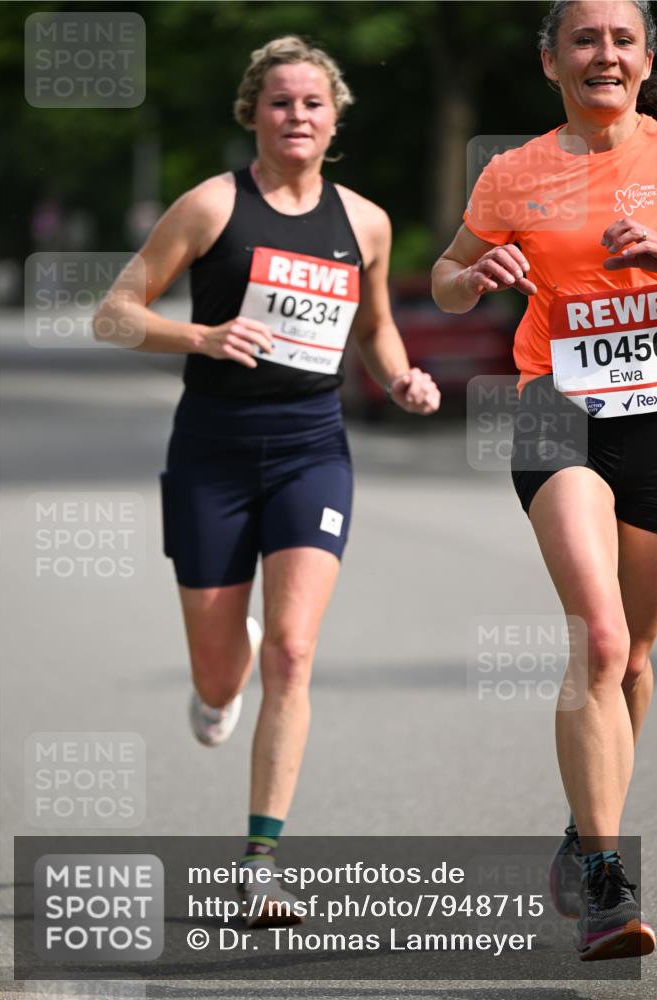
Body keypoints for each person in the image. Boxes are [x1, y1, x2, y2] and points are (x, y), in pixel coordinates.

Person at [95, 36, 439, 926]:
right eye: (280, 102)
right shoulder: (212, 205)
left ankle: (260, 862)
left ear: (335, 118)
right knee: (221, 678)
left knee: (291, 651)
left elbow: (374, 328)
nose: (297, 116)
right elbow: (114, 315)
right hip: (211, 453)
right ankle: (219, 680)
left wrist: (400, 376)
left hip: (310, 451)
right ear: (253, 112)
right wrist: (201, 337)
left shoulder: (364, 222)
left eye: (312, 103)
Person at [432, 0, 657, 963]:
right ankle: (607, 881)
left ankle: (579, 829)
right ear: (549, 61)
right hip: (556, 406)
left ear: (645, 59)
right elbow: (446, 277)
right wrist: (474, 273)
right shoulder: (513, 172)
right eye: (583, 39)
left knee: (636, 657)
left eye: (621, 39)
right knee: (598, 636)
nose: (603, 54)